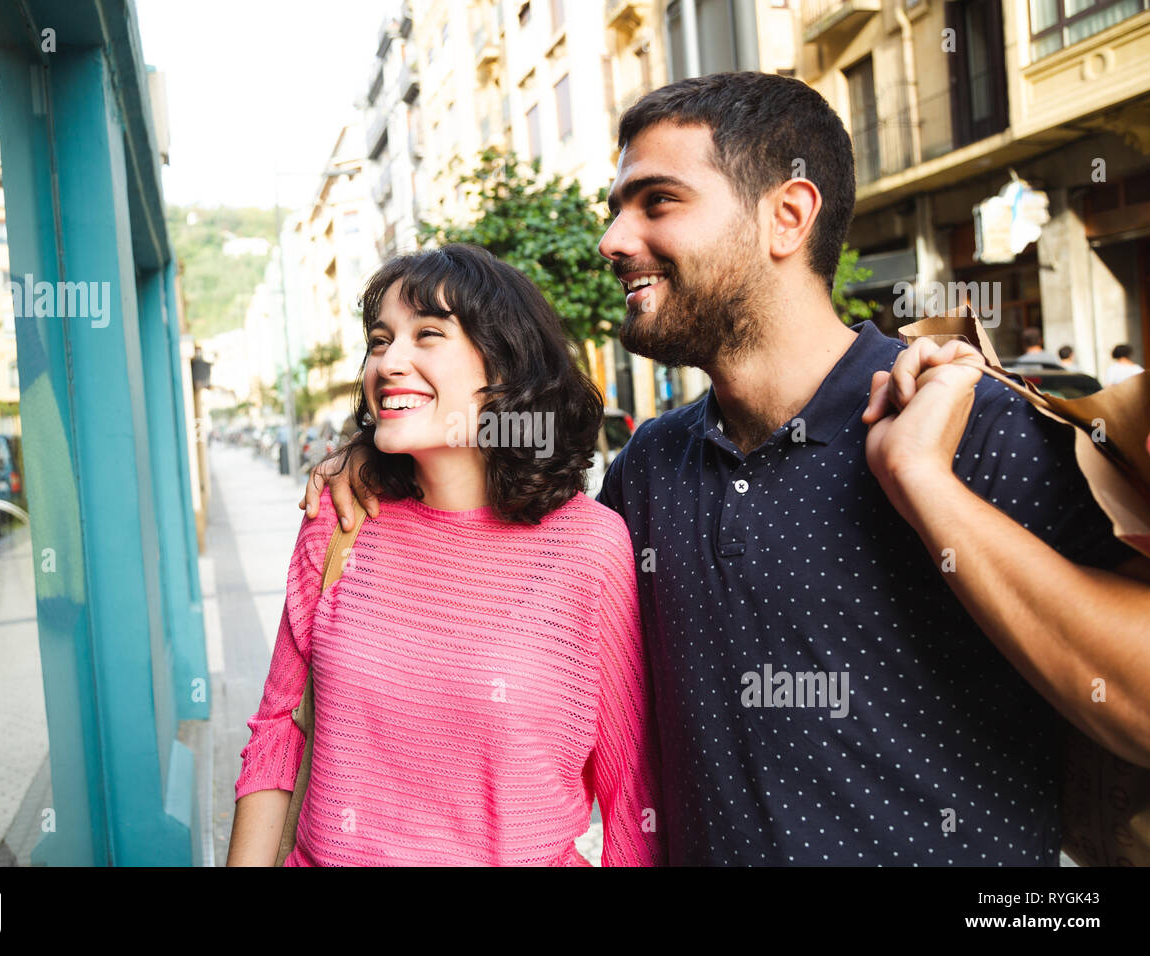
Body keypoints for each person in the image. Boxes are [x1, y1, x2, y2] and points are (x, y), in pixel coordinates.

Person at [308, 72, 1150, 866]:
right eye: (617, 208)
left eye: (657, 202)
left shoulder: (973, 425)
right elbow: (517, 591)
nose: (612, 240)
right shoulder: (650, 466)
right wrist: (383, 463)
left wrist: (924, 483)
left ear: (787, 215)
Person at [229, 244, 665, 867]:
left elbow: (631, 794)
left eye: (427, 334)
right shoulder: (341, 520)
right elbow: (277, 731)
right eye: (380, 341)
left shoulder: (590, 549)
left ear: (505, 365)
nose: (389, 361)